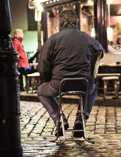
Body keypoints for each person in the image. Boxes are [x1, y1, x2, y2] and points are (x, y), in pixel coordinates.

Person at [37, 9, 103, 137]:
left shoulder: (53, 39)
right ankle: (81, 118)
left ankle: (59, 119)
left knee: (41, 91)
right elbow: (100, 51)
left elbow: (43, 66)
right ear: (76, 22)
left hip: (59, 83)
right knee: (92, 88)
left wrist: (47, 80)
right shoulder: (87, 38)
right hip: (83, 83)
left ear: (61, 23)